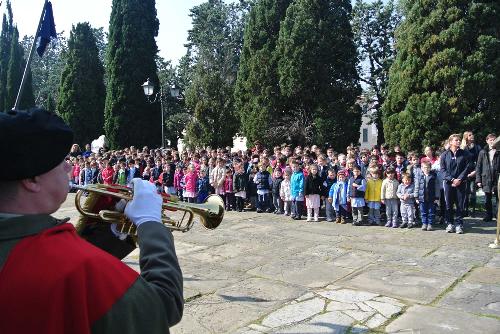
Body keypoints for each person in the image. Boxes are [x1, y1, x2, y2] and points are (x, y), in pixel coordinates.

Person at [0, 108, 183, 333]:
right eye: (61, 161)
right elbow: (163, 305)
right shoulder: (77, 268)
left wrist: (113, 234)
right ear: (32, 179)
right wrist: (150, 223)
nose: (69, 166)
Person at [441, 133, 472, 234]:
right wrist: (452, 180)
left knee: (460, 205)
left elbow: (468, 167)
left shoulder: (465, 154)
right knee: (448, 204)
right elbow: (443, 170)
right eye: (456, 140)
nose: (458, 141)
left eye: (459, 140)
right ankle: (449, 223)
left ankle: (459, 224)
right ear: (450, 142)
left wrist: (459, 179)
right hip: (448, 184)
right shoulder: (444, 155)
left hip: (461, 183)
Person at [476, 134, 499, 222]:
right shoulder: (483, 152)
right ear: (487, 141)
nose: (492, 141)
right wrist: (478, 180)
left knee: (498, 198)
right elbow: (478, 166)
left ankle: (498, 215)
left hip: (497, 177)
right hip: (486, 177)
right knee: (487, 198)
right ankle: (488, 215)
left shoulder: (499, 151)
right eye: (490, 140)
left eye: (494, 140)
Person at [415, 161, 440, 231]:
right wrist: (416, 197)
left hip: (432, 198)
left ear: (430, 168)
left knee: (431, 212)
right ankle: (424, 224)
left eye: (428, 167)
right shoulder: (419, 176)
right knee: (423, 211)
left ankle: (430, 224)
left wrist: (437, 197)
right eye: (424, 167)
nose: (426, 169)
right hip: (422, 197)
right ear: (422, 168)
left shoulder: (434, 176)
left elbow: (437, 187)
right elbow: (416, 187)